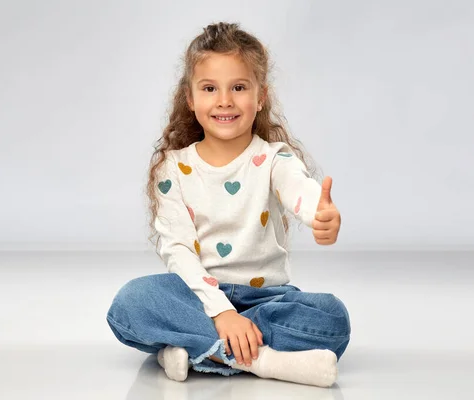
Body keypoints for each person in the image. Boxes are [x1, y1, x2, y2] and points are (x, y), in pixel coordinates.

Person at [106, 21, 350, 387]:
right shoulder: (172, 168)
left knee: (334, 318)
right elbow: (177, 250)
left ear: (260, 96)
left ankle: (192, 347)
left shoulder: (273, 159)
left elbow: (298, 188)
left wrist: (320, 212)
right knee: (131, 303)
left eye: (238, 87)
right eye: (209, 88)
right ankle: (264, 361)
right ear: (190, 99)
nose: (224, 100)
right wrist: (220, 312)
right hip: (195, 295)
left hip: (267, 300)